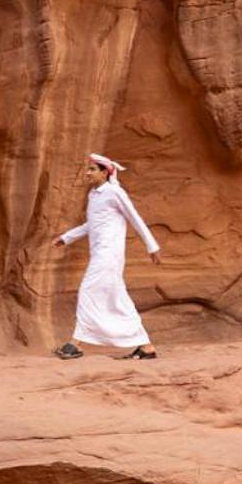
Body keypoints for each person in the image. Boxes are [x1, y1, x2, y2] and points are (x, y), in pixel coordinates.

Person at [50, 153, 160, 360]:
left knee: (87, 291)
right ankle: (146, 346)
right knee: (117, 298)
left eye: (92, 169)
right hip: (100, 253)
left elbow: (134, 217)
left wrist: (151, 246)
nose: (87, 173)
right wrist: (66, 238)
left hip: (109, 255)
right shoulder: (94, 195)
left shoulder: (114, 192)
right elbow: (91, 225)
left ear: (104, 172)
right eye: (88, 169)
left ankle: (75, 344)